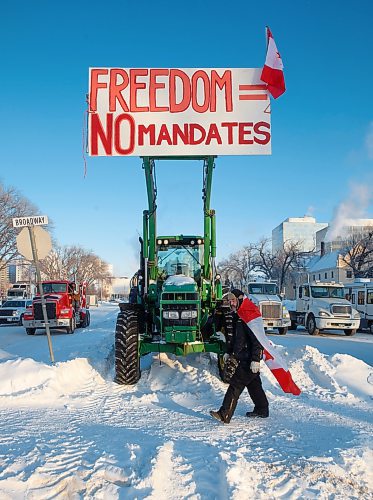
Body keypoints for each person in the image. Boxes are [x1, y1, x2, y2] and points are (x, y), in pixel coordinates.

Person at [210, 289, 269, 423]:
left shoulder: (250, 316)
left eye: (233, 300)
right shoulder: (239, 315)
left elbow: (257, 339)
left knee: (236, 385)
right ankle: (262, 409)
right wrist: (228, 352)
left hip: (248, 358)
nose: (231, 303)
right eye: (229, 300)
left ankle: (225, 414)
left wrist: (255, 359)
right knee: (254, 384)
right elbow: (236, 338)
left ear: (241, 298)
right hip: (243, 355)